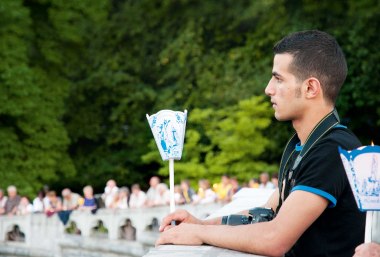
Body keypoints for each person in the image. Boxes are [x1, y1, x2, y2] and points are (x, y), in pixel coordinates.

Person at [156, 30, 365, 257]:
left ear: (310, 88)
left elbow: (274, 238)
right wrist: (201, 225)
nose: (268, 89)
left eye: (278, 79)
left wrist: (199, 235)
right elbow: (268, 211)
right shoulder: (305, 145)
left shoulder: (333, 149)